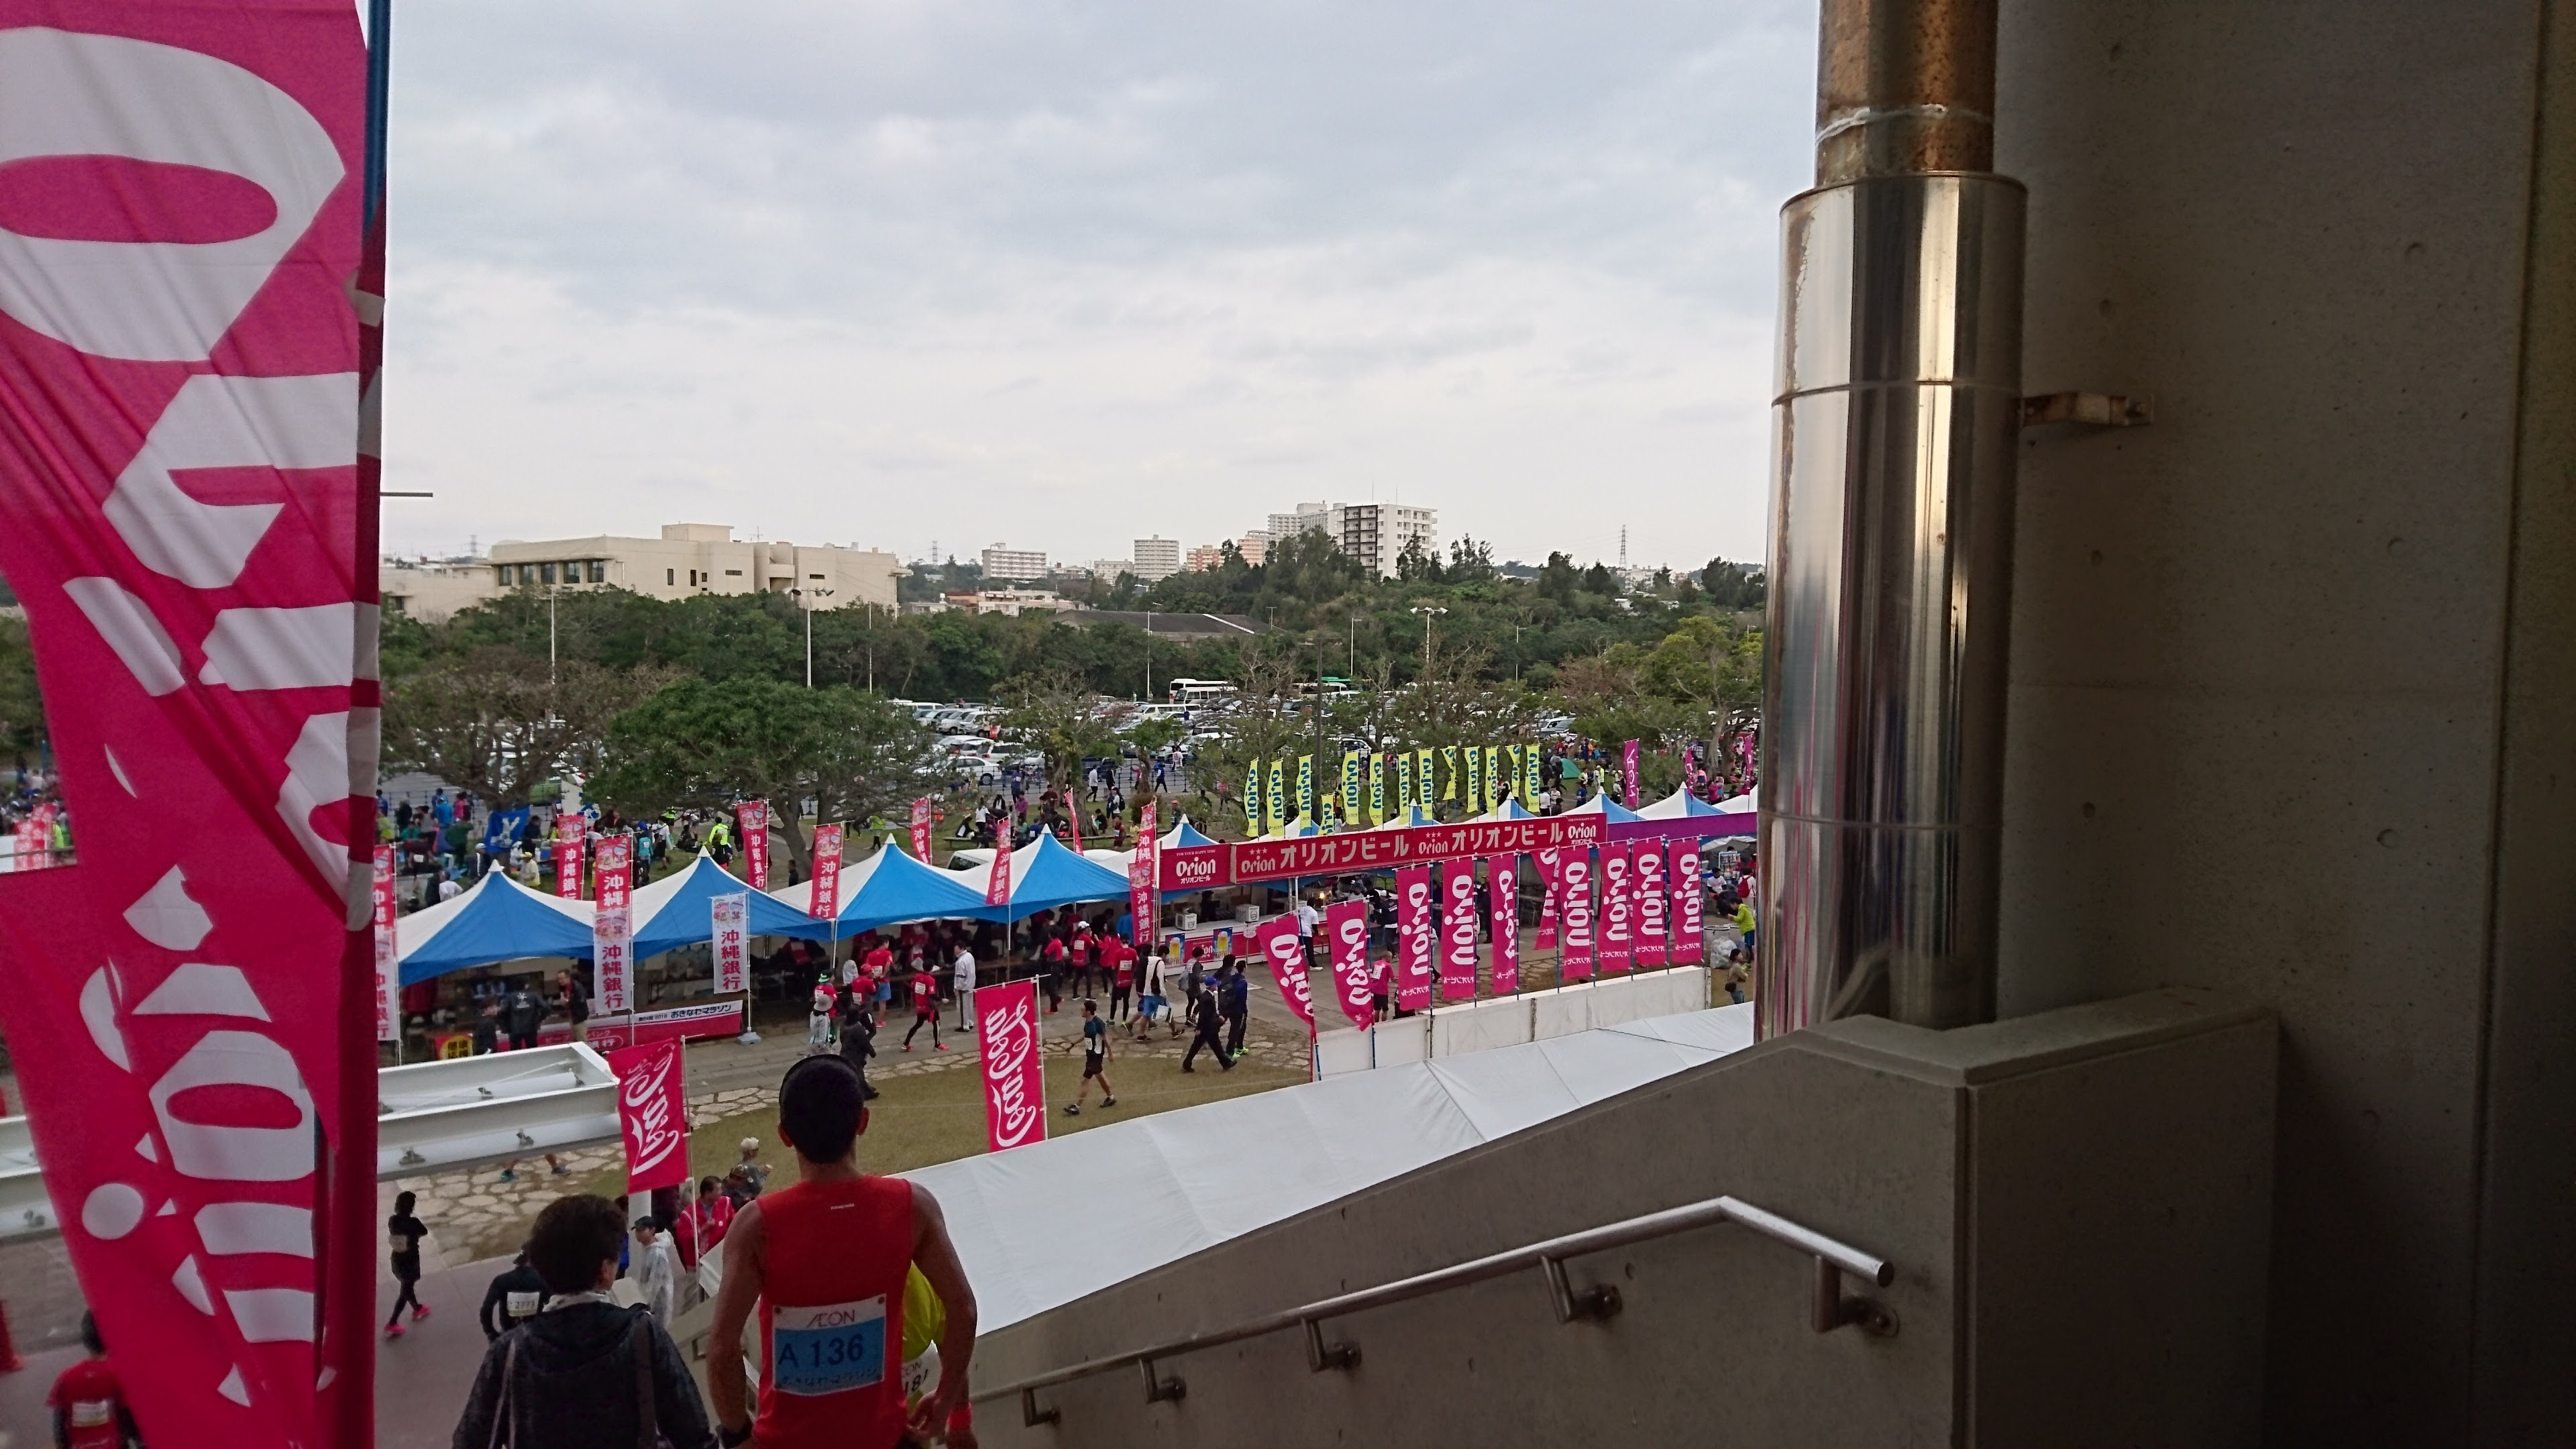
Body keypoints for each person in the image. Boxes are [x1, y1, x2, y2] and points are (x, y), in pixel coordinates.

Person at [707, 1055, 978, 1449]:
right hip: (885, 1438)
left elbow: (722, 1349)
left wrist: (738, 1434)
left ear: (785, 1135)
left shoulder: (755, 1225)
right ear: (862, 1122)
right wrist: (949, 1402)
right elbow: (963, 1308)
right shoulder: (913, 1207)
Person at [450, 1195, 717, 1449]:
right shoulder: (642, 1334)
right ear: (605, 1270)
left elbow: (471, 1440)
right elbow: (693, 1433)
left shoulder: (510, 1351)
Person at [48, 1313, 137, 1449]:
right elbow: (129, 1420)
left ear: (86, 1340)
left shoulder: (66, 1378)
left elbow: (59, 1426)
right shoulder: (119, 1375)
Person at [386, 1189, 431, 1337]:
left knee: (407, 1285)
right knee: (406, 1290)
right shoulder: (414, 1223)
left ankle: (417, 1308)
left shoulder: (393, 1221)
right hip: (410, 1260)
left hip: (397, 1258)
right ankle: (392, 1323)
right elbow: (424, 1231)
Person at [480, 1250, 552, 1341]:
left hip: (510, 1334)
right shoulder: (543, 1280)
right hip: (536, 1334)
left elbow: (486, 1309)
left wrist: (491, 1333)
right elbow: (553, 1305)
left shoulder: (502, 1280)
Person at [1065, 999, 1116, 1114]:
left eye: (1083, 1009)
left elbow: (1106, 1039)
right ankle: (1111, 1098)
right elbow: (1085, 1035)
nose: (1081, 1011)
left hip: (1095, 1056)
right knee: (1100, 1076)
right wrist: (1073, 1044)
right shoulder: (1088, 1022)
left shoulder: (1098, 1023)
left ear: (1088, 1011)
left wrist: (1110, 1053)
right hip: (1091, 1055)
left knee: (1085, 1081)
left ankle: (1077, 1107)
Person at [631, 1216, 680, 1322]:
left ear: (652, 1230)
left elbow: (656, 1282)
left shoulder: (658, 1254)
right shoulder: (646, 1249)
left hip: (659, 1300)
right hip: (648, 1298)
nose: (638, 1234)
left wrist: (648, 1303)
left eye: (642, 1230)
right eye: (637, 1231)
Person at [1182, 975, 1232, 1073]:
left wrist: (1218, 1016)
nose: (1216, 986)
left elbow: (1211, 1012)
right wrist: (1199, 1028)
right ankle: (1226, 1063)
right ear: (1212, 986)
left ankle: (1226, 1063)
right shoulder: (1208, 998)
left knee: (1202, 1047)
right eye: (1215, 984)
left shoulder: (1206, 996)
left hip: (1207, 1027)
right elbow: (1203, 1015)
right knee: (1215, 1046)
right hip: (1208, 1028)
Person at [837, 983, 878, 1099]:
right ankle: (865, 1092)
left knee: (858, 1073)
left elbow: (842, 1039)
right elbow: (864, 1043)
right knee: (858, 1074)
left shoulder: (844, 1025)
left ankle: (866, 1089)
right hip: (854, 1054)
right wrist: (872, 1052)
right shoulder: (857, 1028)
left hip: (846, 1051)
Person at [902, 957, 944, 1051]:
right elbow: (932, 994)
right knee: (936, 1023)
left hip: (920, 1005)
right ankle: (937, 1045)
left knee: (918, 1024)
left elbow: (912, 988)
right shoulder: (931, 980)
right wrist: (941, 999)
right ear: (932, 968)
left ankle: (906, 1043)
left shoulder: (917, 976)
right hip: (929, 1006)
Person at [1220, 958, 1250, 1058]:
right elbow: (1243, 998)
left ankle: (1239, 1046)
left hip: (1230, 1007)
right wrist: (1243, 1010)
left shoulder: (1233, 978)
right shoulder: (1243, 982)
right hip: (1239, 1009)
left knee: (1239, 1028)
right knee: (1236, 1029)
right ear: (1244, 969)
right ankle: (1230, 1051)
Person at [553, 969, 591, 1045]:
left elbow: (580, 1000)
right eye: (559, 979)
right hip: (572, 1015)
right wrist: (562, 997)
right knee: (575, 1039)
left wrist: (567, 1001)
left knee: (581, 1040)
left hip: (580, 1016)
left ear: (568, 978)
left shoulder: (577, 987)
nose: (560, 981)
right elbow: (561, 991)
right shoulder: (563, 986)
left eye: (562, 979)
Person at [951, 942, 977, 1033]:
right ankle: (970, 1022)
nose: (955, 951)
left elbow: (960, 977)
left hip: (963, 988)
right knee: (969, 1006)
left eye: (956, 949)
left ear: (961, 949)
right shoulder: (970, 956)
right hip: (970, 985)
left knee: (963, 1008)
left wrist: (957, 988)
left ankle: (965, 1025)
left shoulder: (961, 961)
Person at [807, 975, 837, 1053]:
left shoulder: (813, 1014)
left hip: (812, 1042)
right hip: (821, 1046)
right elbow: (824, 1035)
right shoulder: (825, 1018)